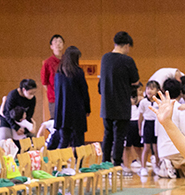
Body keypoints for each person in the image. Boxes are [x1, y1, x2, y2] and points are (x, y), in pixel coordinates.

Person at [99, 31, 140, 166]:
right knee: (119, 137)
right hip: (122, 104)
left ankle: (105, 162)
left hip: (106, 104)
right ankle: (116, 164)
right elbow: (135, 81)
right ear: (127, 45)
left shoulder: (105, 58)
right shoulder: (127, 60)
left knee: (108, 135)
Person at [154, 78, 185, 178]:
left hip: (162, 151)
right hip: (177, 151)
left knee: (181, 175)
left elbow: (156, 133)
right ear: (180, 92)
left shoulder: (160, 108)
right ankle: (172, 165)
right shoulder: (181, 108)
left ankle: (168, 166)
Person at [54, 45, 91, 148]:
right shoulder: (78, 72)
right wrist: (87, 108)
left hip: (62, 112)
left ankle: (60, 163)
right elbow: (84, 91)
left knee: (64, 141)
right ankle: (80, 163)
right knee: (78, 142)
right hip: (76, 112)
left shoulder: (58, 73)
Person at [138, 80, 160, 177]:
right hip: (147, 124)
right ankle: (143, 167)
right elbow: (140, 117)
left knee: (156, 148)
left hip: (157, 125)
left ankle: (158, 166)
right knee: (146, 147)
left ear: (157, 90)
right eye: (147, 88)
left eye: (152, 88)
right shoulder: (143, 102)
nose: (149, 91)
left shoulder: (159, 102)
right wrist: (139, 129)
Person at [41, 34, 65, 119]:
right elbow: (44, 82)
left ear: (63, 45)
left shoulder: (67, 61)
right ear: (51, 46)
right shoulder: (47, 63)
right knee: (55, 122)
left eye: (60, 42)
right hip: (54, 98)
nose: (58, 44)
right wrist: (53, 92)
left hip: (67, 98)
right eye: (55, 42)